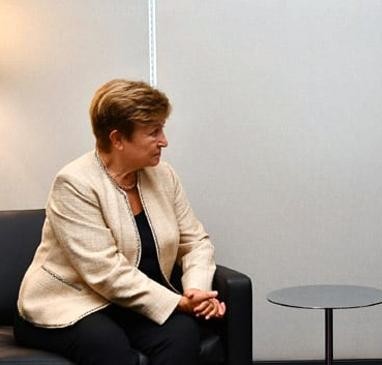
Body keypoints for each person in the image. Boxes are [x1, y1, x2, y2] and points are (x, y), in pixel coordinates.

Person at [14, 79, 226, 365]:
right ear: (117, 139)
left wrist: (196, 290)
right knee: (106, 344)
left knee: (181, 332)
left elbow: (194, 242)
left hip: (128, 303)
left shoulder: (163, 175)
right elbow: (105, 272)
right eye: (153, 132)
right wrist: (177, 303)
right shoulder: (74, 183)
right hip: (69, 303)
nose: (164, 140)